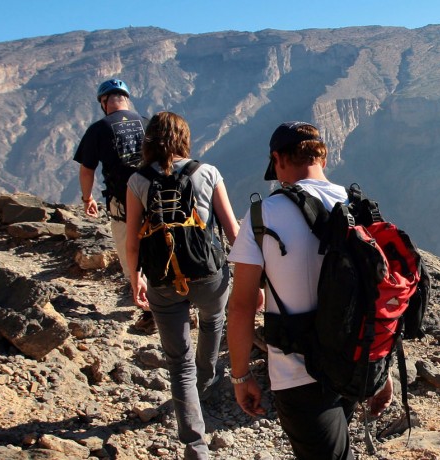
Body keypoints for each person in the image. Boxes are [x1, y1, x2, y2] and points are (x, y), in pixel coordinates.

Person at [226, 122, 392, 460]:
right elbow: (380, 297)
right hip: (355, 360)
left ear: (278, 159)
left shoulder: (262, 216)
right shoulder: (359, 209)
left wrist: (241, 376)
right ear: (323, 159)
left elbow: (241, 307)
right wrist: (380, 369)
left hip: (297, 375)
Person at [122, 112, 238, 459]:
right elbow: (233, 232)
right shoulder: (208, 172)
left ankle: (195, 445)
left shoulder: (137, 181)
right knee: (213, 322)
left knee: (177, 362)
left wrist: (135, 277)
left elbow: (132, 240)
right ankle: (206, 377)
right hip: (210, 275)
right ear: (184, 138)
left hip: (162, 278)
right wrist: (254, 278)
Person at [73, 78, 157, 332]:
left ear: (103, 102)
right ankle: (171, 305)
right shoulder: (147, 123)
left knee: (131, 254)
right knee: (158, 250)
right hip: (156, 200)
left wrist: (87, 198)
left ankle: (150, 310)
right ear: (126, 98)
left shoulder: (99, 129)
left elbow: (87, 169)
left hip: (122, 203)